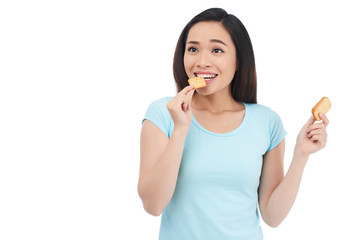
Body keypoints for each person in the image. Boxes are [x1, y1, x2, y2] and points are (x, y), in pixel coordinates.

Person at [138, 8, 329, 240]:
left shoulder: (267, 122)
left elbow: (272, 216)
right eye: (193, 49)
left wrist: (301, 156)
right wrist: (180, 130)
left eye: (217, 50)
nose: (202, 61)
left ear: (238, 61)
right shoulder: (163, 113)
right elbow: (153, 205)